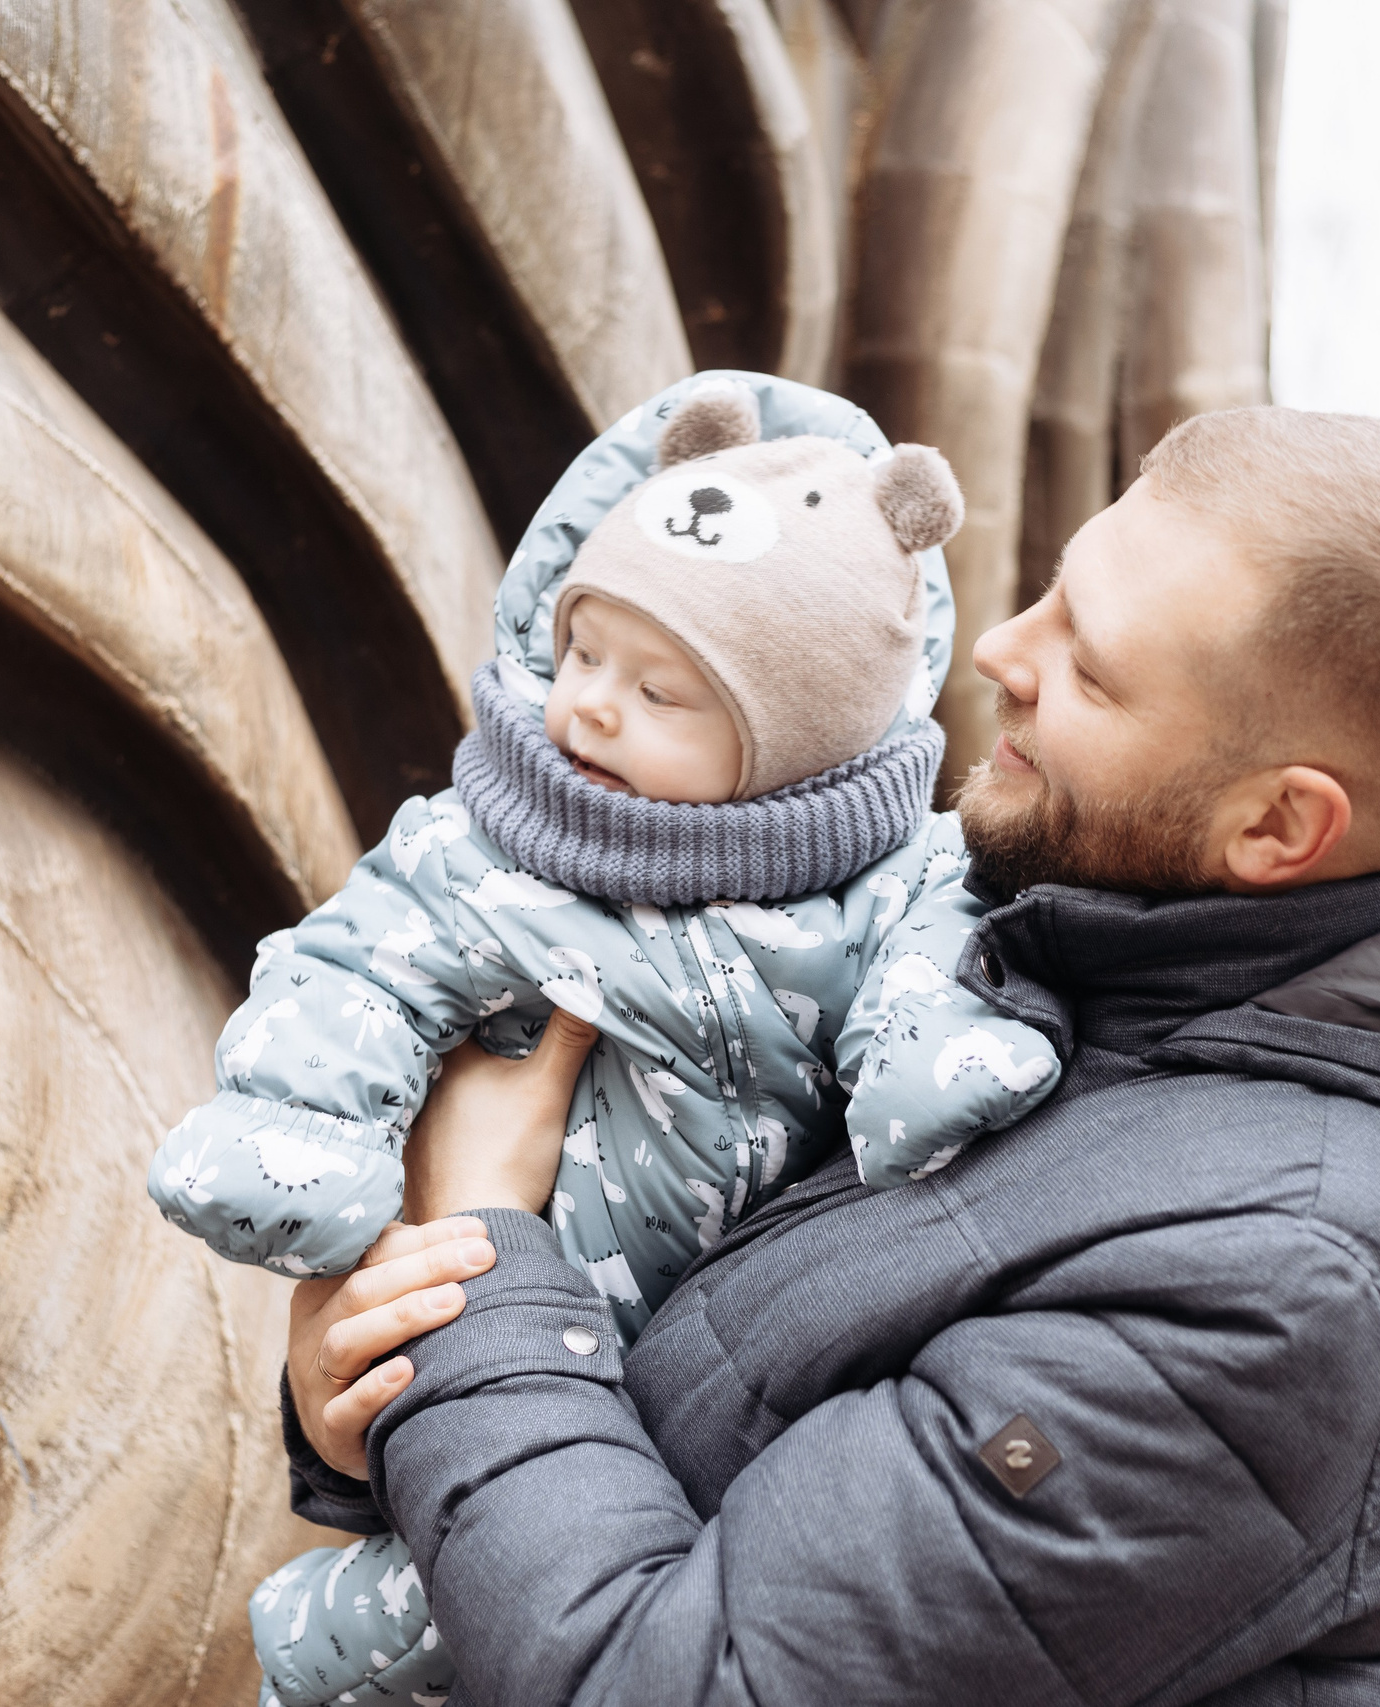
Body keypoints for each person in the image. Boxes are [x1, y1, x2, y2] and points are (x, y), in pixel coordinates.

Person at [277, 406, 1380, 1706]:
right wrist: (378, 1401)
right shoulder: (1043, 943)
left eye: (1087, 666)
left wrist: (475, 1261)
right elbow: (678, 1391)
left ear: (1279, 828)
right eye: (1052, 596)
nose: (999, 654)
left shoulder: (1292, 1286)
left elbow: (685, 1682)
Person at [150, 374, 1072, 1705]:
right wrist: (300, 1129)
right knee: (446, 1571)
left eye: (660, 692)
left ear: (795, 741)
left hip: (709, 1398)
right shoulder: (489, 844)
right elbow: (352, 971)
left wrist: (928, 1064)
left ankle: (371, 1623)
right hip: (497, 1302)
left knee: (510, 1595)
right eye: (584, 654)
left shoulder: (893, 885)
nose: (588, 709)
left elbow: (927, 974)